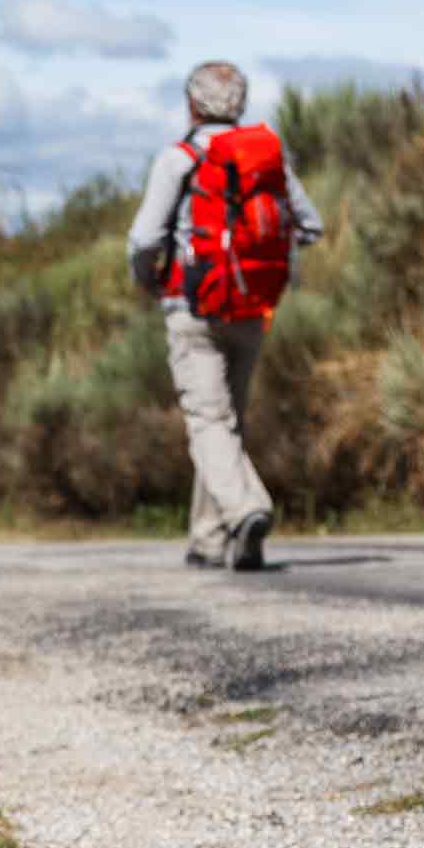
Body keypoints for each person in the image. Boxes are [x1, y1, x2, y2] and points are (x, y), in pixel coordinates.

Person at [127, 60, 323, 572]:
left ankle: (245, 509)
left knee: (208, 421)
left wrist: (150, 279)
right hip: (253, 307)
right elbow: (310, 225)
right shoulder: (266, 159)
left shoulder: (180, 159)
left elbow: (144, 239)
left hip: (193, 307)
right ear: (240, 102)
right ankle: (209, 539)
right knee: (226, 422)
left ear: (192, 103)